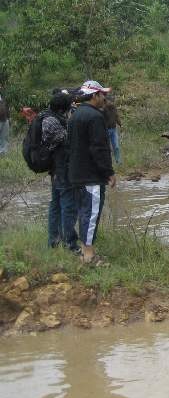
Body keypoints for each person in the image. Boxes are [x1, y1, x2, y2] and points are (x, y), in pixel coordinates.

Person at [67, 80, 116, 264]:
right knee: (92, 213)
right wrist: (109, 172)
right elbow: (99, 148)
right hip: (91, 176)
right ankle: (88, 255)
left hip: (77, 174)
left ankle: (85, 251)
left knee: (84, 212)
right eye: (102, 94)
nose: (105, 98)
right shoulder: (95, 117)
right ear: (94, 95)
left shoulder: (76, 115)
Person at [42, 92, 79, 253]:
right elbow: (67, 139)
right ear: (63, 108)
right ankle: (70, 244)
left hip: (56, 170)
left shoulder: (47, 117)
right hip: (61, 169)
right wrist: (71, 121)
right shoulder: (51, 121)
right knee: (67, 205)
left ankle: (54, 241)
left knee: (55, 204)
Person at [103, 94, 122, 164]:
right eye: (110, 101)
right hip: (106, 130)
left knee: (116, 146)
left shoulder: (114, 108)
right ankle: (108, 162)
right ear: (106, 101)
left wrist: (120, 124)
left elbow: (116, 116)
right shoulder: (103, 109)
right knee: (107, 148)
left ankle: (118, 161)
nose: (111, 102)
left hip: (113, 130)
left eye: (112, 101)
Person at [0, 88, 9, 155]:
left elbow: (6, 107)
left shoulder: (2, 96)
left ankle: (3, 153)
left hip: (4, 119)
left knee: (4, 137)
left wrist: (8, 118)